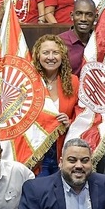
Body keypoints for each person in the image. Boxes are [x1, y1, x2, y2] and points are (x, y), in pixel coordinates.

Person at [32, 35, 78, 176]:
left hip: (62, 151)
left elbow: (81, 114)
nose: (51, 57)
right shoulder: (29, 81)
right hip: (37, 153)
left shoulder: (73, 81)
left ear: (62, 55)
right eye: (46, 52)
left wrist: (69, 122)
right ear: (38, 55)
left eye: (55, 52)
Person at [58, 0, 98, 75]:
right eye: (79, 14)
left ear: (95, 17)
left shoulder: (100, 42)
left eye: (89, 15)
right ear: (72, 16)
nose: (83, 19)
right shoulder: (59, 42)